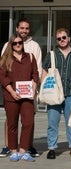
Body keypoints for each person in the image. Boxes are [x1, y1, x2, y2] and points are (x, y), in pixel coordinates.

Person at [0, 18, 42, 158]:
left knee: (28, 122)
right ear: (11, 45)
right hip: (11, 96)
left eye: (20, 43)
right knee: (12, 124)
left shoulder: (30, 56)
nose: (18, 44)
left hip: (27, 95)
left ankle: (24, 150)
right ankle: (12, 150)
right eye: (15, 43)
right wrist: (12, 92)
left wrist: (33, 88)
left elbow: (36, 73)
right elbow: (2, 76)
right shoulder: (6, 58)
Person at [42, 28, 71, 159]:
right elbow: (44, 72)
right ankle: (52, 148)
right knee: (53, 122)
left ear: (69, 38)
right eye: (59, 38)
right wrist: (44, 89)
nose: (62, 40)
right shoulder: (51, 54)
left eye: (64, 37)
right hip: (54, 94)